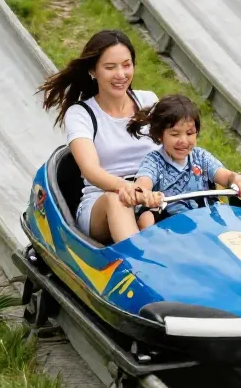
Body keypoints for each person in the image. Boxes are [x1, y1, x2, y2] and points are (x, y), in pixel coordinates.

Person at [39, 30, 156, 244]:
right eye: (110, 67)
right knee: (117, 200)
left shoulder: (148, 101)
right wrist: (128, 188)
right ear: (93, 71)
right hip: (102, 202)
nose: (121, 75)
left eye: (126, 65)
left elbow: (178, 146)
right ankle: (139, 266)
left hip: (151, 196)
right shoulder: (81, 114)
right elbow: (91, 171)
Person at [131, 94, 241, 228]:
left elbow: (225, 176)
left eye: (189, 133)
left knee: (226, 213)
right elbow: (143, 183)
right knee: (146, 218)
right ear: (160, 135)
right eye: (175, 134)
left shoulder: (200, 157)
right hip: (168, 222)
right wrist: (146, 194)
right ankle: (152, 245)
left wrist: (237, 179)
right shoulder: (154, 161)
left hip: (203, 216)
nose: (183, 141)